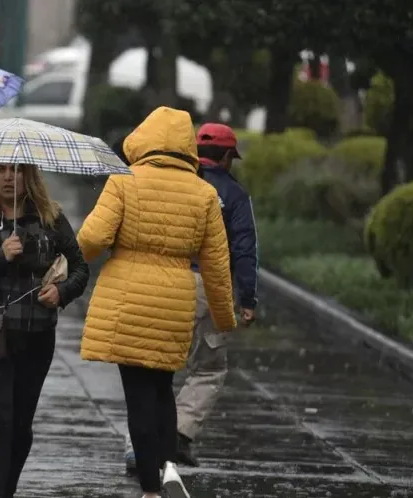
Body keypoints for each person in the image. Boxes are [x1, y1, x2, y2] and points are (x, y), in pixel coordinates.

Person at [77, 107, 237, 498]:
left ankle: (150, 486)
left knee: (137, 396)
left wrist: (69, 261)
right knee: (163, 387)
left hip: (127, 298)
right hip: (175, 300)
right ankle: (168, 468)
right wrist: (224, 316)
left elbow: (93, 238)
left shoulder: (124, 181)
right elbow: (217, 264)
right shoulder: (204, 193)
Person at [0, 162, 89, 498]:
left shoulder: (51, 217)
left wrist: (62, 292)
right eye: (1, 170)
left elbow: (80, 267)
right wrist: (0, 256)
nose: (8, 177)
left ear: (30, 176)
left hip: (36, 334)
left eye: (17, 170)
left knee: (21, 426)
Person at [123, 123, 259, 471]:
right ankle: (179, 433)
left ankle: (138, 444)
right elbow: (244, 249)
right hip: (209, 286)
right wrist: (247, 299)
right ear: (228, 157)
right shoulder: (235, 195)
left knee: (154, 365)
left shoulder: (175, 183)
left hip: (163, 282)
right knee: (210, 367)